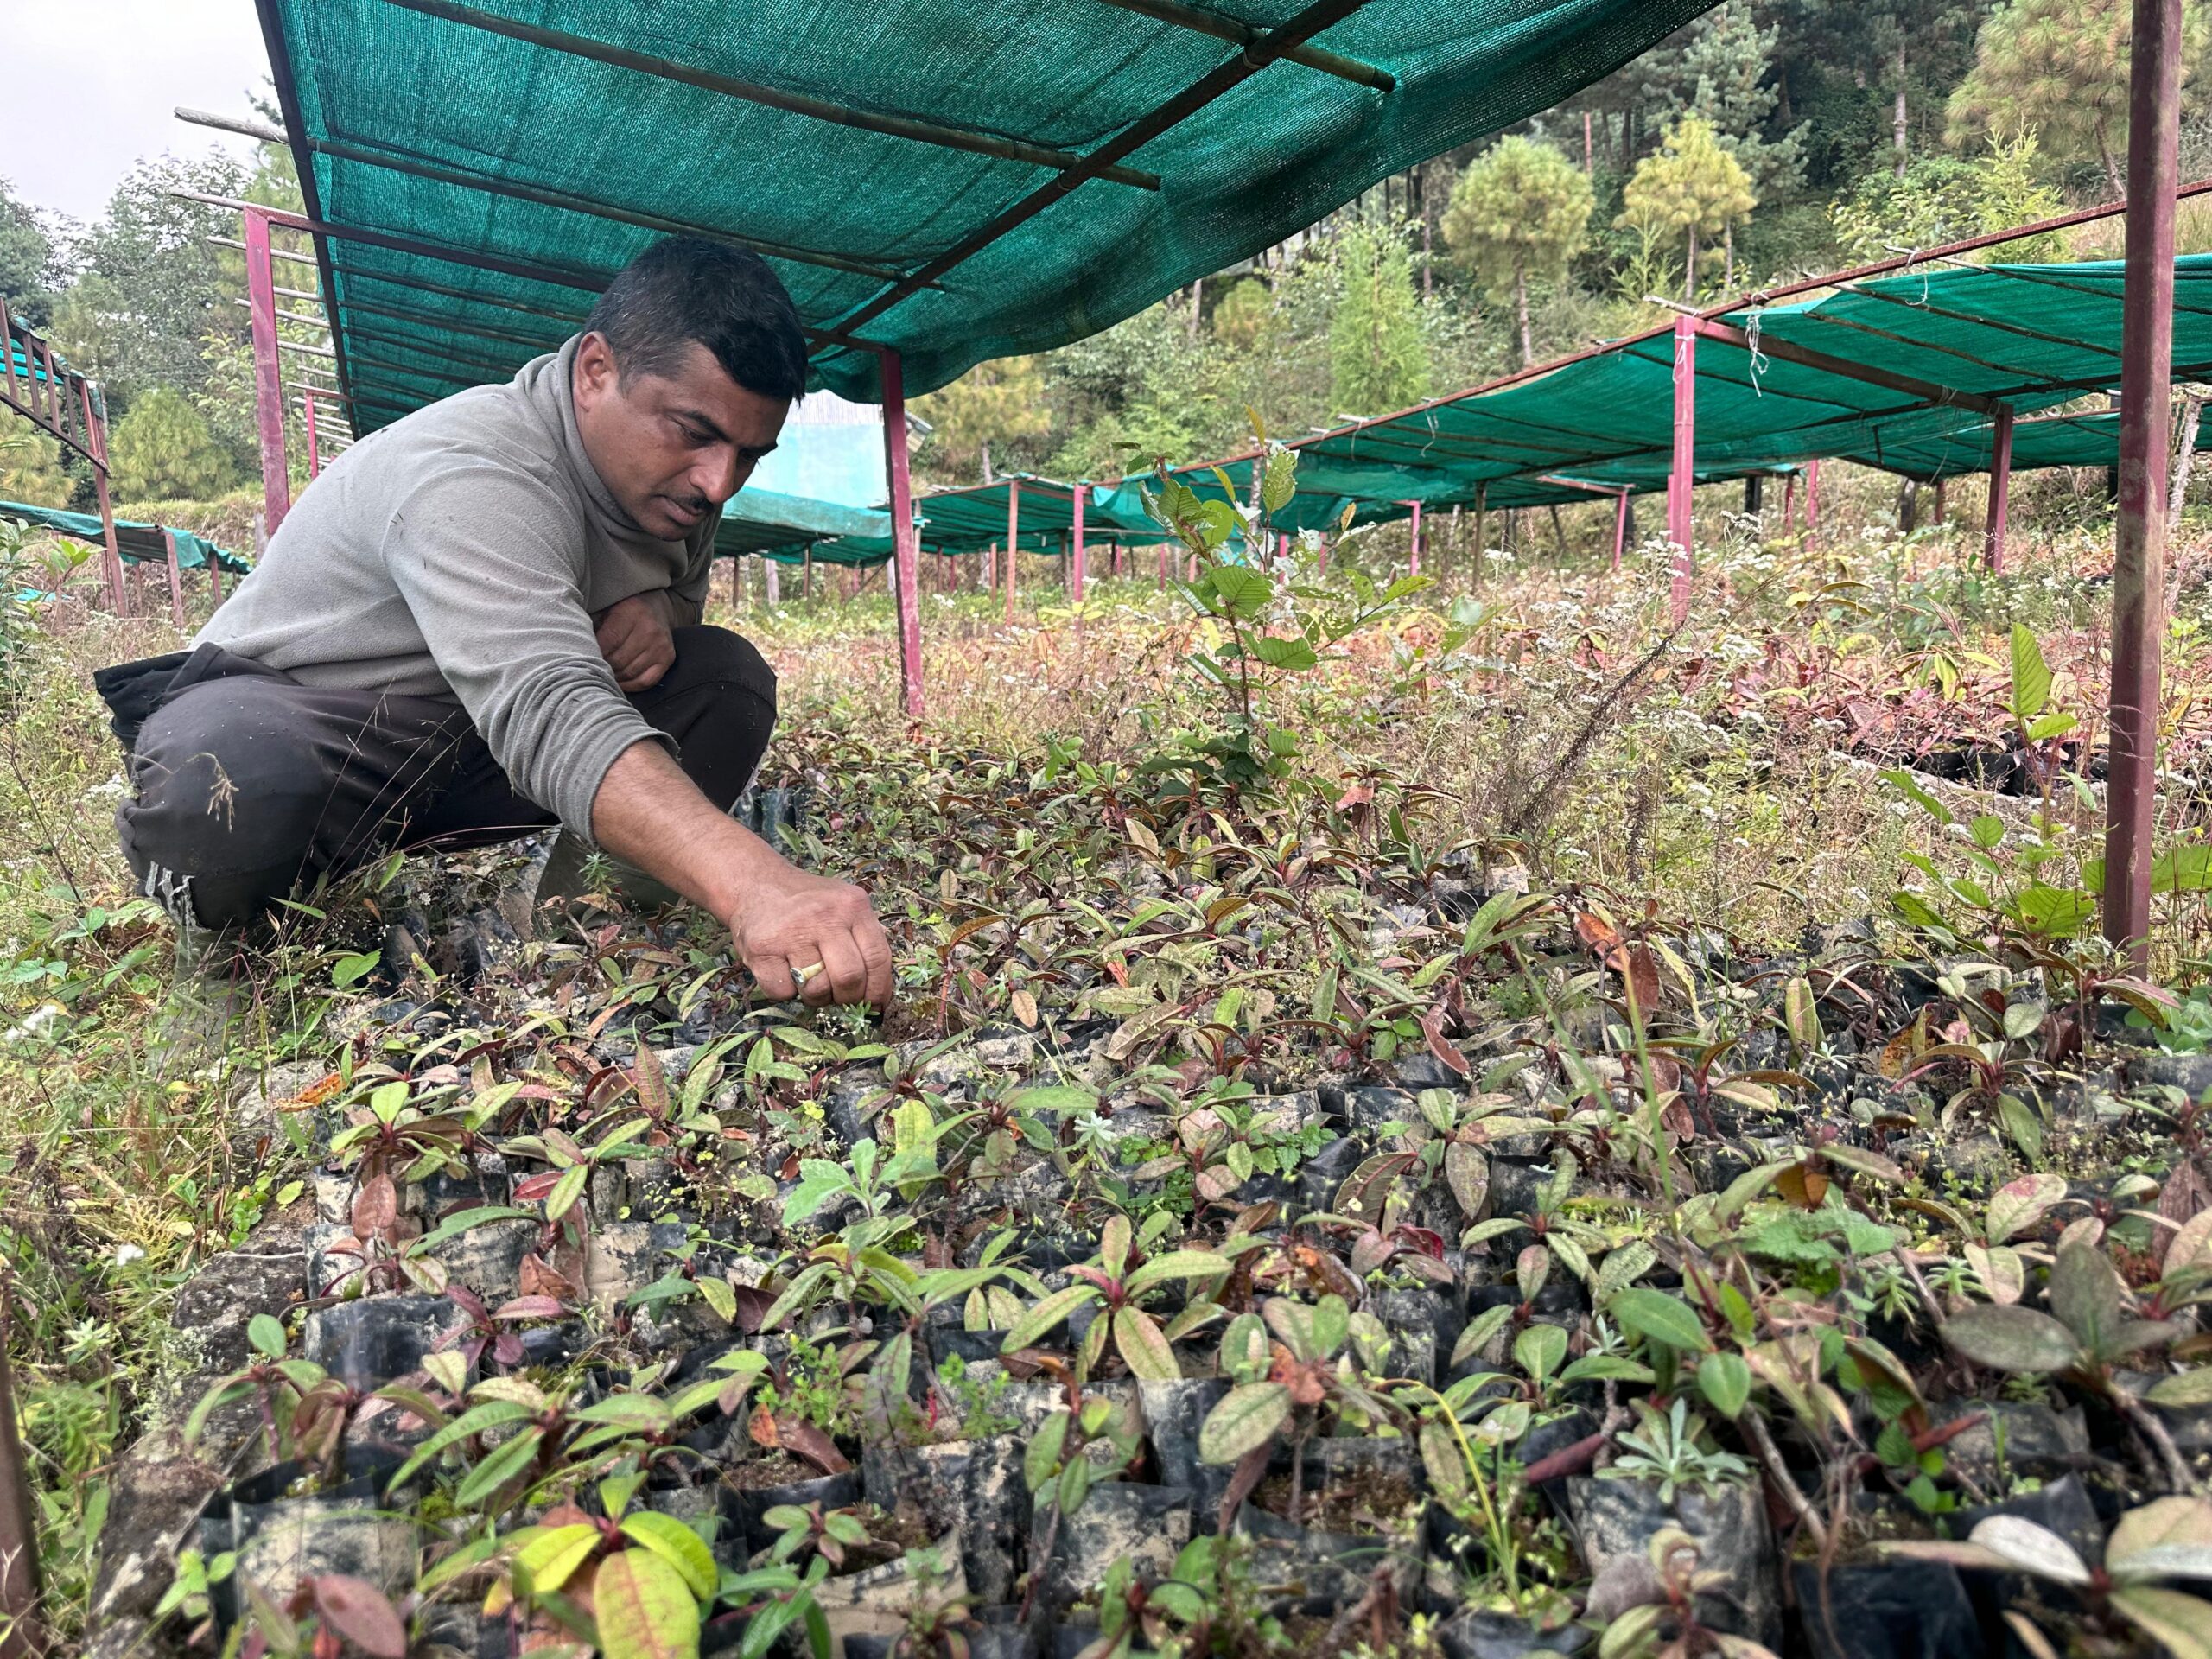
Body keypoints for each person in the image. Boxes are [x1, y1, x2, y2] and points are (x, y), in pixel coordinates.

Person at [94, 236, 892, 1008]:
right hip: (324, 731)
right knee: (230, 777)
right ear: (595, 371)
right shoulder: (474, 469)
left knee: (724, 678)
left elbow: (671, 611)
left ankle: (592, 927)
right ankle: (231, 961)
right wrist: (757, 884)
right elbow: (545, 703)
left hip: (469, 747)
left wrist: (661, 608)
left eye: (751, 453)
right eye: (694, 432)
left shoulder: (678, 489)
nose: (720, 483)